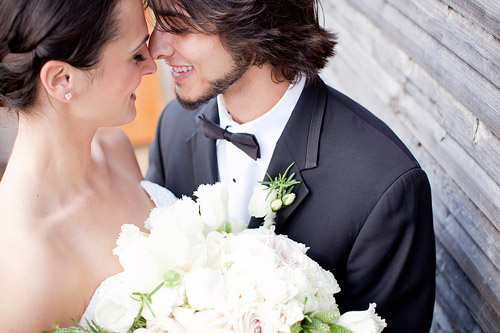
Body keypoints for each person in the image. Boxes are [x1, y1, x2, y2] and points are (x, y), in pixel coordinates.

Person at [145, 0, 436, 331]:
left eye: (179, 26)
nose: (156, 47)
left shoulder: (384, 185)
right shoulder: (174, 126)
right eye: (156, 20)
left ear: (250, 21)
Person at [0, 0, 177, 330]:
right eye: (136, 54)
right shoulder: (27, 267)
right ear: (63, 78)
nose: (152, 65)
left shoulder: (114, 147)